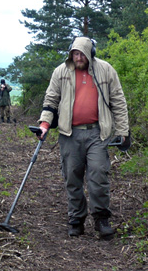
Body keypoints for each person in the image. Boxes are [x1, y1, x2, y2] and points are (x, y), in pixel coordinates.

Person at [38, 37, 130, 239]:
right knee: (72, 177)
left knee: (98, 174)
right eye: (75, 54)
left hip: (98, 133)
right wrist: (44, 124)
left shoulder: (105, 70)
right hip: (69, 134)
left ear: (91, 53)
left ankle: (101, 219)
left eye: (82, 54)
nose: (78, 58)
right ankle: (76, 219)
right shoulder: (61, 72)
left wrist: (123, 132)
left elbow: (118, 101)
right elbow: (51, 99)